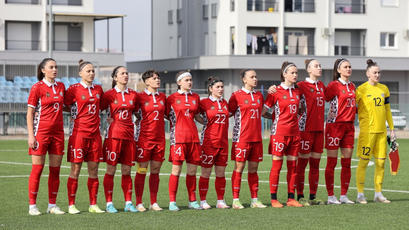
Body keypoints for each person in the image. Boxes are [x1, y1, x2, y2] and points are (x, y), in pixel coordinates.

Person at [65, 60, 105, 214]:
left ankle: (93, 204)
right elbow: (66, 105)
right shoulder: (73, 89)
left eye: (93, 70)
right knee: (75, 169)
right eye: (88, 71)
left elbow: (101, 107)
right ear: (80, 73)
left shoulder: (99, 89)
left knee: (94, 170)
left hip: (95, 135)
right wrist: (74, 116)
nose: (91, 73)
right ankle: (71, 205)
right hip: (79, 134)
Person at [27, 58, 65, 215]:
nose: (55, 69)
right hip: (40, 133)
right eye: (51, 67)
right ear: (43, 70)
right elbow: (30, 113)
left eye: (56, 67)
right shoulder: (37, 88)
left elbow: (68, 106)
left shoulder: (61, 86)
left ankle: (52, 205)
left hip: (58, 134)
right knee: (37, 169)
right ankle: (32, 206)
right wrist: (31, 136)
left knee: (55, 170)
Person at [262, 62, 303, 208]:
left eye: (296, 73)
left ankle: (291, 198)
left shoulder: (298, 91)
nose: (295, 75)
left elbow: (301, 109)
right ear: (284, 74)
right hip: (279, 133)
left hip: (295, 134)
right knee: (277, 166)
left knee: (293, 167)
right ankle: (274, 199)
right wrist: (276, 119)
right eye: (292, 72)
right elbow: (263, 111)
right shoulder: (275, 91)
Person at [355, 59, 395, 204]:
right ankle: (360, 194)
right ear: (367, 73)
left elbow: (387, 110)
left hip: (382, 133)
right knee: (364, 163)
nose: (377, 75)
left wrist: (392, 128)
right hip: (367, 133)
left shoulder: (384, 89)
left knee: (381, 164)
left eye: (379, 72)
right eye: (374, 72)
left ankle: (378, 194)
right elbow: (351, 108)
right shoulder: (361, 90)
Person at [102, 66, 139, 213]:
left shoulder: (133, 95)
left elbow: (138, 112)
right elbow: (97, 109)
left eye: (126, 73)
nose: (125, 75)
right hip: (113, 136)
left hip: (129, 137)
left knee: (127, 171)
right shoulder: (109, 95)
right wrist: (107, 119)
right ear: (115, 78)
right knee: (110, 170)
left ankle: (128, 203)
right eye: (122, 73)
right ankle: (109, 203)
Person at [229, 69, 266, 209]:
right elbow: (228, 112)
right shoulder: (236, 96)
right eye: (252, 77)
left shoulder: (259, 95)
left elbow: (263, 111)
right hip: (241, 138)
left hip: (256, 138)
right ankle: (235, 200)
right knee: (239, 167)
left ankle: (254, 200)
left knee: (254, 169)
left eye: (256, 76)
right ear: (244, 80)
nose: (255, 79)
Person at [166, 71, 202, 211]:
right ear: (179, 82)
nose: (189, 82)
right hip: (179, 138)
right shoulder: (172, 98)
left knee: (192, 171)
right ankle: (172, 201)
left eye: (191, 79)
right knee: (176, 170)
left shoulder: (195, 97)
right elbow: (166, 115)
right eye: (186, 80)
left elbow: (197, 115)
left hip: (193, 138)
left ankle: (192, 201)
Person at [324, 58, 356, 205]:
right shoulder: (333, 85)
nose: (348, 69)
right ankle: (331, 196)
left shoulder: (353, 86)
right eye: (345, 67)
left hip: (349, 128)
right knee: (332, 162)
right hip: (334, 126)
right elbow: (322, 98)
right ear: (338, 70)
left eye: (350, 67)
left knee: (347, 163)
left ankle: (344, 195)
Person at [134, 70, 166, 211]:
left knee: (155, 170)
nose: (157, 80)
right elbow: (132, 110)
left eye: (158, 78)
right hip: (144, 138)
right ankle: (139, 202)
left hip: (159, 139)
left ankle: (154, 202)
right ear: (146, 82)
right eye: (154, 78)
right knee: (142, 170)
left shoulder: (163, 97)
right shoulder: (139, 97)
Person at [295, 59, 326, 206]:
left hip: (319, 130)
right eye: (316, 66)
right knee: (302, 164)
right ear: (308, 70)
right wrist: (273, 89)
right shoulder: (300, 85)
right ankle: (300, 195)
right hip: (305, 130)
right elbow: (286, 89)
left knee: (315, 164)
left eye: (320, 66)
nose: (319, 68)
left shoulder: (321, 86)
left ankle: (313, 196)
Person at [197, 77, 230, 209]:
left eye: (222, 87)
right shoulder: (203, 102)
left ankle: (220, 201)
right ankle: (203, 201)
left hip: (223, 143)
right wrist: (205, 123)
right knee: (205, 173)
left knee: (221, 173)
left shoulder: (225, 103)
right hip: (208, 143)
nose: (221, 89)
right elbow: (195, 115)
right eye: (218, 87)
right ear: (210, 89)